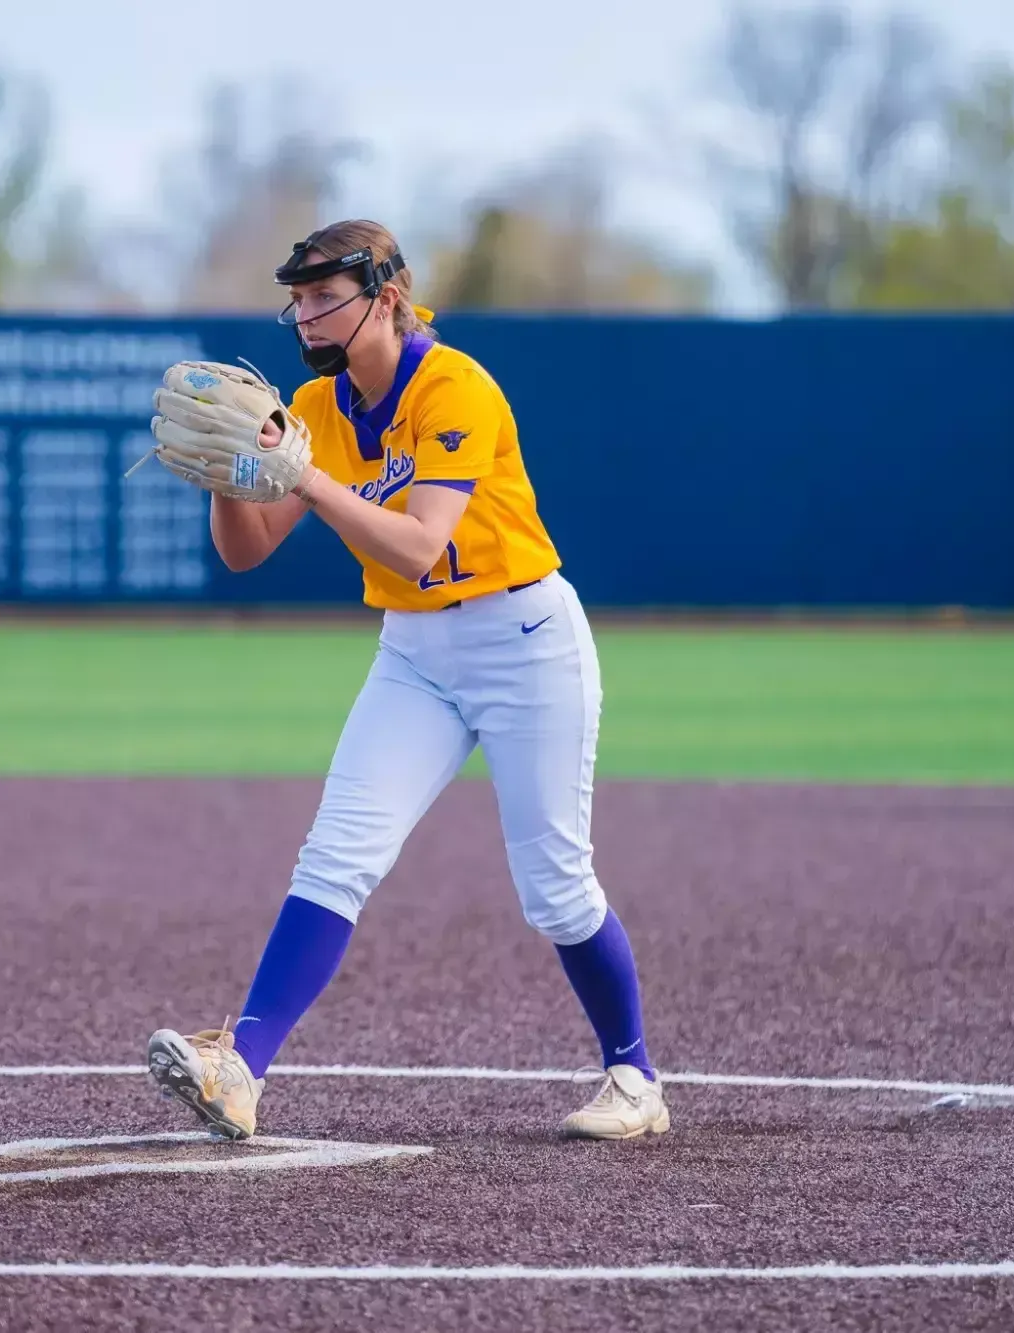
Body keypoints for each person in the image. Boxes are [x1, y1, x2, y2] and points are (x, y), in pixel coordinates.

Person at [140, 219, 668, 1143]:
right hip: (415, 651)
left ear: (386, 297)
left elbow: (422, 545)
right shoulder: (317, 404)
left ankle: (635, 1076)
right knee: (337, 854)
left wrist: (301, 477)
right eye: (297, 299)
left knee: (554, 885)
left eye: (323, 296)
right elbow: (246, 554)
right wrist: (235, 473)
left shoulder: (453, 383)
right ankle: (240, 1071)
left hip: (525, 638)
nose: (304, 315)